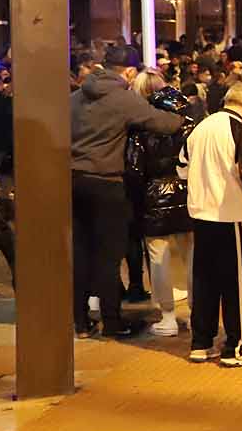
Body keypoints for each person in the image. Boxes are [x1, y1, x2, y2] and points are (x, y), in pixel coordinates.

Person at [71, 46, 187, 339]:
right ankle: (112, 322)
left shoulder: (75, 97)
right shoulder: (124, 99)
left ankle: (81, 322)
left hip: (73, 181)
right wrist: (184, 116)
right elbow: (164, 123)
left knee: (81, 250)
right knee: (109, 255)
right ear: (130, 72)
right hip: (107, 182)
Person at [183, 83, 242, 365]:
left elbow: (181, 167)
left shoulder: (201, 127)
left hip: (201, 215)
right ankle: (238, 347)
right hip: (234, 216)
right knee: (241, 283)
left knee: (205, 281)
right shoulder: (239, 130)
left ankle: (201, 342)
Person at [126, 74, 199, 337]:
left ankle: (167, 315)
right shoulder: (189, 124)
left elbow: (134, 169)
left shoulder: (140, 127)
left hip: (154, 196)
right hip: (187, 194)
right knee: (192, 256)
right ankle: (196, 313)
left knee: (158, 259)